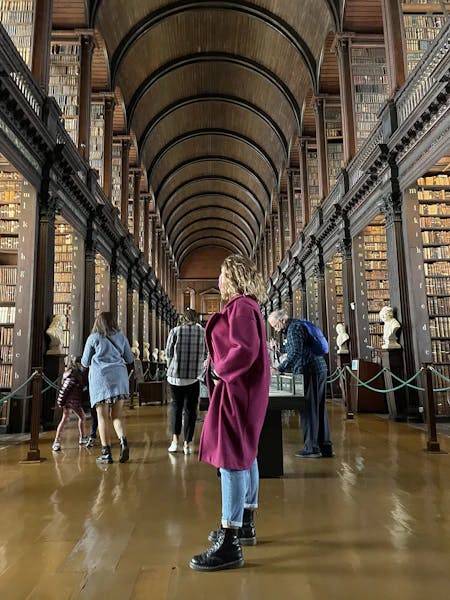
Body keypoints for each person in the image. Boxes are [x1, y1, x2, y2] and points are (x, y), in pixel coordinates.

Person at [190, 254, 269, 572]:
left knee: (231, 459)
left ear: (234, 277)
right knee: (246, 455)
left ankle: (229, 541)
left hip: (238, 392)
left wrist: (221, 370)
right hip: (245, 391)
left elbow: (245, 350)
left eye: (222, 274)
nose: (219, 281)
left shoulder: (240, 307)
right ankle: (245, 523)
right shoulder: (250, 307)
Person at [268, 310, 333, 459]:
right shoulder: (298, 325)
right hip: (318, 369)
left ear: (283, 320)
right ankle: (325, 447)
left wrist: (279, 368)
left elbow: (295, 353)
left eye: (275, 325)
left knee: (309, 408)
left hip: (309, 370)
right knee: (319, 408)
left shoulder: (293, 328)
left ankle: (312, 448)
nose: (276, 329)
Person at [81, 311, 134, 464]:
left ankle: (106, 453)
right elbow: (129, 358)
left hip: (101, 380)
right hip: (119, 378)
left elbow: (85, 362)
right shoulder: (121, 337)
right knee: (116, 415)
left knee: (102, 416)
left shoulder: (93, 338)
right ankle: (123, 442)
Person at [165, 308, 206, 455]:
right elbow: (207, 352)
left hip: (175, 376)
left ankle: (175, 442)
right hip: (194, 377)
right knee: (190, 410)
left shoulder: (175, 331)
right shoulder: (203, 332)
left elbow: (168, 353)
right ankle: (188, 444)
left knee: (176, 408)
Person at [52, 356, 88, 451]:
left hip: (72, 401)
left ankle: (82, 437)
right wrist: (61, 402)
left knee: (69, 419)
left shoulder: (72, 373)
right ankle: (57, 441)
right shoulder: (73, 374)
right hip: (71, 401)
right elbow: (65, 389)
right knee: (69, 419)